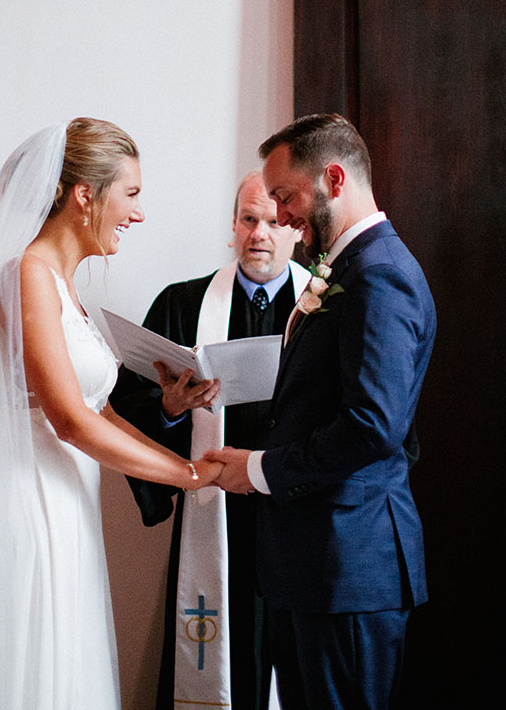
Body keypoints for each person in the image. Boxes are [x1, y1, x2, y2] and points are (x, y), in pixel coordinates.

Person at [0, 118, 221, 710]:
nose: (139, 214)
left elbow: (97, 410)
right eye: (132, 194)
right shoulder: (26, 276)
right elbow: (70, 420)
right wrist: (189, 477)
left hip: (65, 501)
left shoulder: (64, 285)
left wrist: (184, 460)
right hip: (26, 503)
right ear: (83, 196)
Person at [207, 113, 436, 710]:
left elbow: (373, 427)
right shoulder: (349, 267)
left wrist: (259, 469)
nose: (280, 216)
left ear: (333, 178)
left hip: (349, 565)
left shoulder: (379, 276)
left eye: (285, 197)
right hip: (317, 564)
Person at [110, 171, 307, 710]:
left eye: (272, 221)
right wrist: (170, 409)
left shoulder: (322, 308)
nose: (259, 234)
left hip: (292, 518)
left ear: (292, 230)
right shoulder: (182, 305)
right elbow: (127, 408)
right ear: (232, 227)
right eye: (248, 219)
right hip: (213, 511)